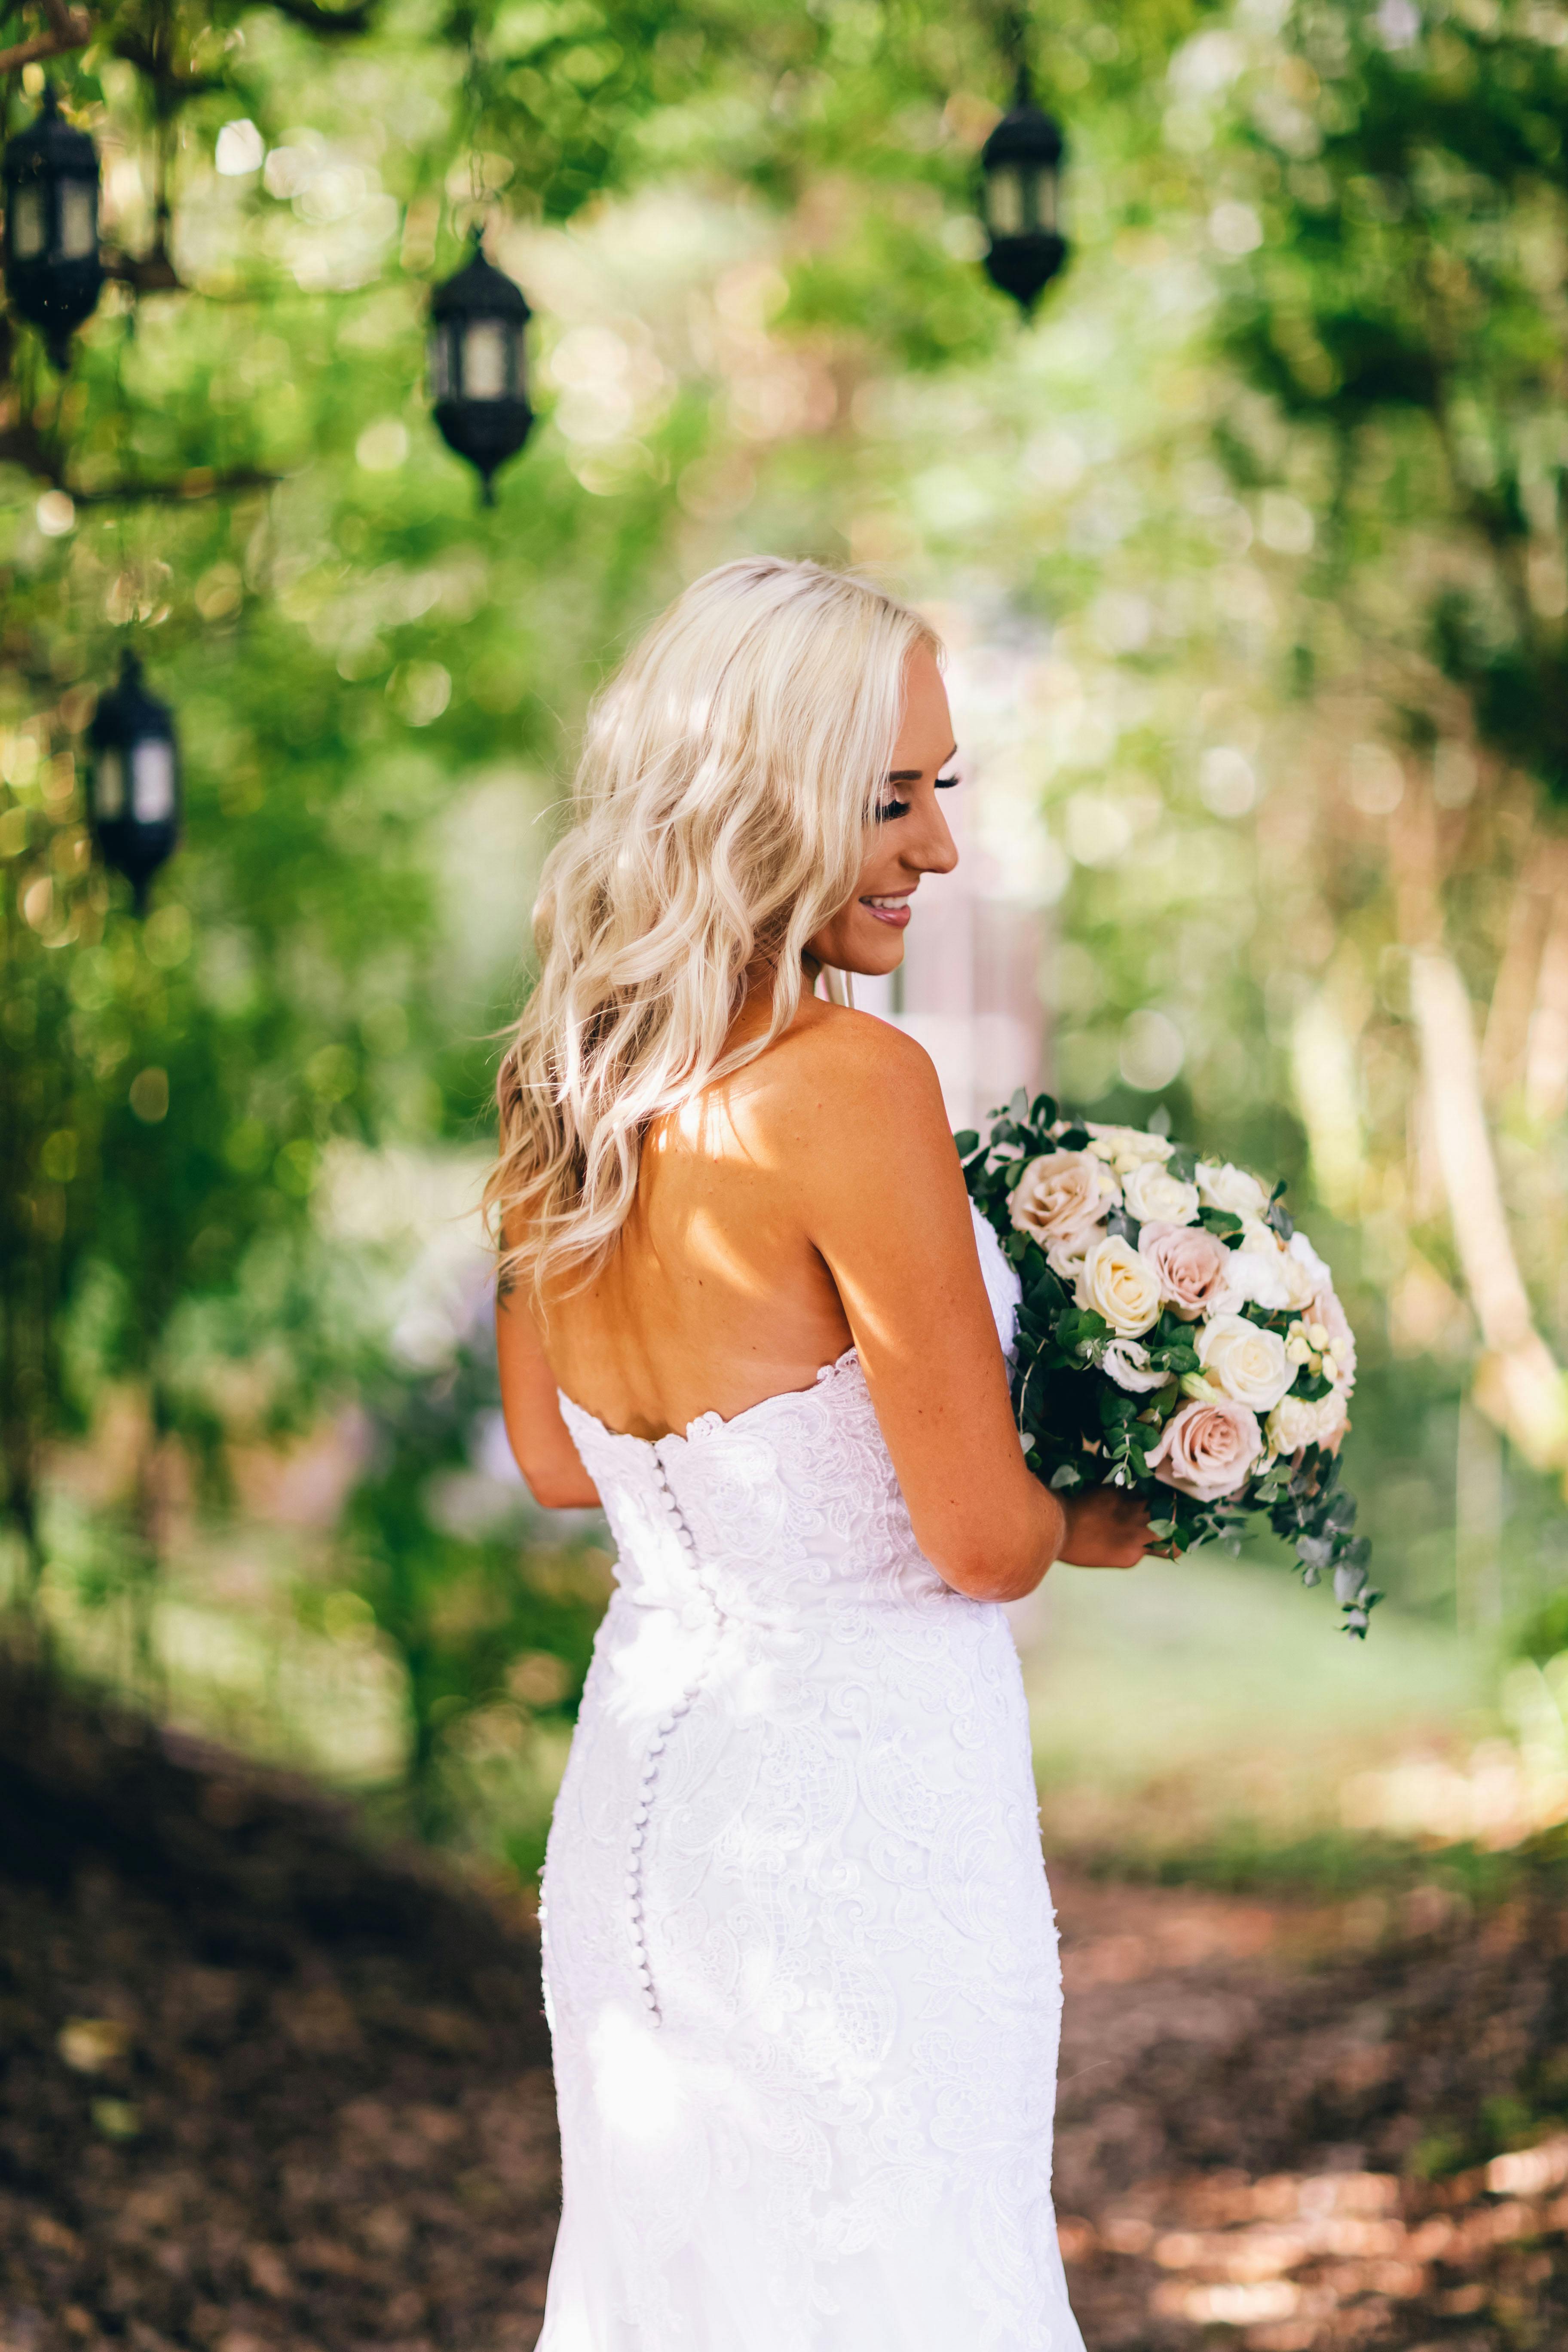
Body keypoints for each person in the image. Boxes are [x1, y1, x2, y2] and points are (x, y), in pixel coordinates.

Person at [491, 557, 1147, 2351]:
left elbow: (562, 1462)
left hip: (648, 1810)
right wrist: (1123, 1511)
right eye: (890, 798)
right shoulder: (853, 1086)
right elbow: (983, 1541)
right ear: (759, 801)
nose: (937, 847)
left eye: (946, 791)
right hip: (861, 1834)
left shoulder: (570, 1078)